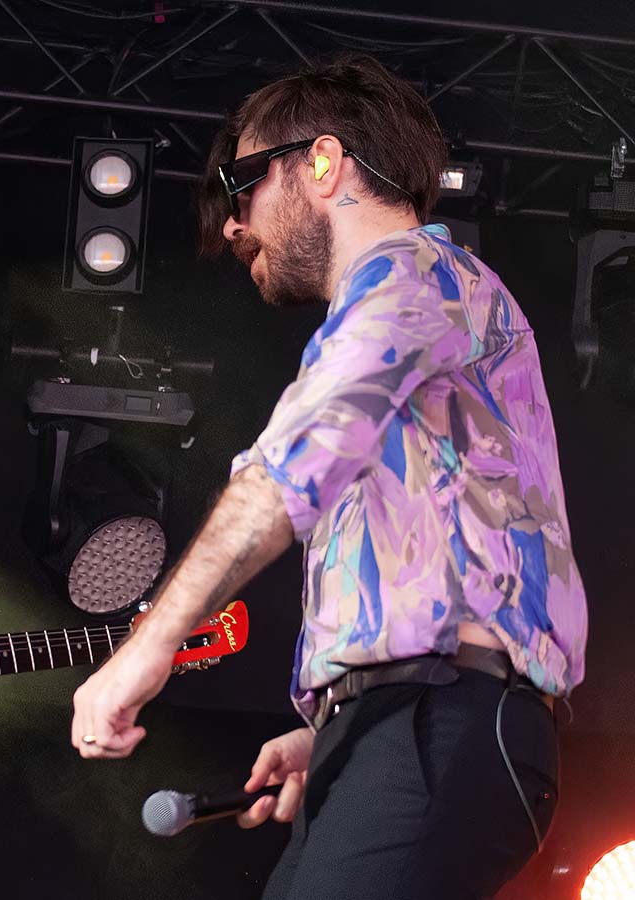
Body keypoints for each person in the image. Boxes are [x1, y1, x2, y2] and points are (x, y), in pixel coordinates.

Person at [70, 54, 586, 900]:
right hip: (414, 722)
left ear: (321, 162)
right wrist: (338, 727)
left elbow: (287, 471)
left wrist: (147, 646)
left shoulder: (415, 272)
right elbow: (438, 554)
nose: (234, 227)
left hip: (443, 719)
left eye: (242, 187)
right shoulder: (416, 313)